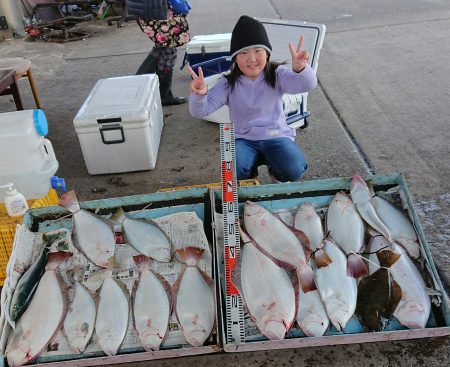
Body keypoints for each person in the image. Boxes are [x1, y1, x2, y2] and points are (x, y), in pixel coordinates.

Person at [188, 15, 317, 182]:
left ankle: (277, 176)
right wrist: (200, 94)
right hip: (244, 139)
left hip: (276, 135)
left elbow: (306, 85)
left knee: (293, 168)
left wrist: (301, 69)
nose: (252, 59)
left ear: (267, 54)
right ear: (234, 58)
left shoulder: (277, 74)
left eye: (258, 51)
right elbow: (200, 111)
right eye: (243, 52)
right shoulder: (228, 83)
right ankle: (250, 180)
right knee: (232, 171)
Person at [127, 0, 190, 105]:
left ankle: (138, 86)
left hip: (146, 8)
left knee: (162, 46)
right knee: (169, 49)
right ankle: (163, 95)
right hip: (155, 9)